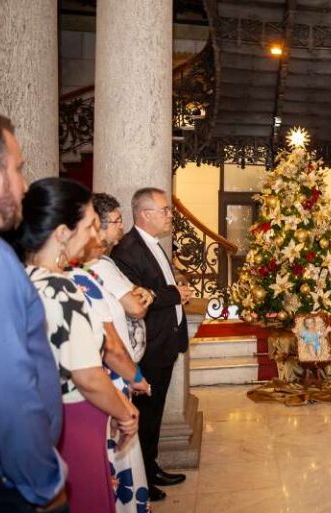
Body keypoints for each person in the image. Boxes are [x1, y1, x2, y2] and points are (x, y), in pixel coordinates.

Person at [11, 177, 138, 513]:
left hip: (42, 417)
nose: (95, 237)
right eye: (90, 226)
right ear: (63, 233)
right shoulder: (61, 289)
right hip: (75, 418)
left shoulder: (24, 279)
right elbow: (88, 376)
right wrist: (125, 412)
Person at [0, 111, 68, 512]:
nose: (23, 186)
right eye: (17, 170)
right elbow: (5, 394)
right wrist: (45, 483)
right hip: (5, 484)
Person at [111, 188, 191, 501]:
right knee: (145, 413)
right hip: (150, 346)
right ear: (145, 214)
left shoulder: (153, 245)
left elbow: (157, 285)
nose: (170, 215)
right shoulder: (128, 250)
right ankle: (143, 474)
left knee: (155, 413)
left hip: (165, 342)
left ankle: (152, 465)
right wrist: (176, 294)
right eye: (165, 210)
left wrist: (175, 285)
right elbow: (139, 296)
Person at [70, 213, 152, 513]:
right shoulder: (77, 279)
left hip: (107, 384)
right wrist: (135, 378)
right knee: (108, 471)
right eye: (92, 227)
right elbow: (110, 345)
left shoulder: (89, 272)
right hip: (100, 386)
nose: (99, 234)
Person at [89, 193, 151, 364]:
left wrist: (145, 293)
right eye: (116, 221)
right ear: (97, 225)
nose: (122, 225)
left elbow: (138, 293)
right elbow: (137, 308)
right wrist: (141, 297)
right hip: (114, 364)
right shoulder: (98, 266)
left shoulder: (106, 261)